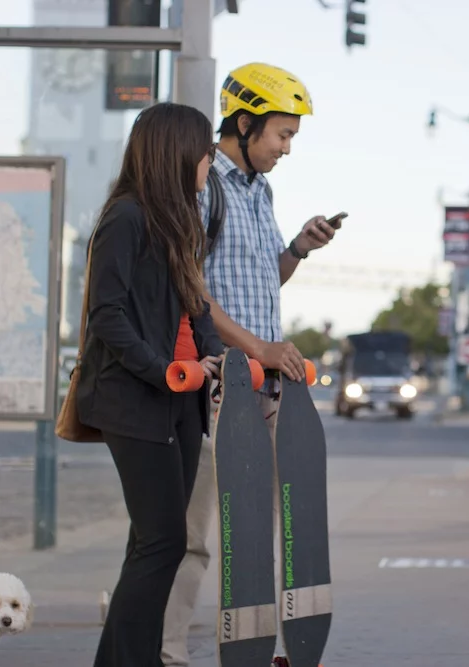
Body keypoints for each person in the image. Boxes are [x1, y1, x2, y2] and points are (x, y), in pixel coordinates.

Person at [161, 62, 342, 666]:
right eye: (282, 135)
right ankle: (168, 652)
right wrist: (257, 350)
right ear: (245, 124)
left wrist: (297, 248)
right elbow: (196, 293)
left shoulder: (261, 192)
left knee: (264, 533)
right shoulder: (202, 187)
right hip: (216, 387)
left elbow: (266, 281)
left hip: (267, 390)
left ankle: (258, 649)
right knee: (196, 538)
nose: (287, 148)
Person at [75, 101, 226, 667]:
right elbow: (106, 314)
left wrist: (215, 357)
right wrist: (159, 368)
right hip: (137, 400)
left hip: (182, 402)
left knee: (155, 544)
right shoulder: (126, 218)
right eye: (205, 151)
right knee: (162, 543)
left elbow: (196, 306)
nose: (210, 161)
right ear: (176, 152)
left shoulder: (176, 220)